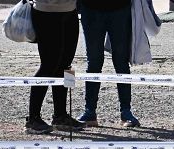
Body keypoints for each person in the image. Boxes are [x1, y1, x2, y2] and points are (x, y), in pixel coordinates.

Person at [77, 0, 141, 128]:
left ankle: (126, 112)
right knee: (94, 62)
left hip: (119, 8)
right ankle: (90, 112)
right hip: (90, 9)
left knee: (121, 62)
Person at [26, 0, 84, 134]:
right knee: (48, 65)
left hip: (70, 11)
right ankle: (33, 118)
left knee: (68, 66)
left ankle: (61, 115)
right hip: (45, 11)